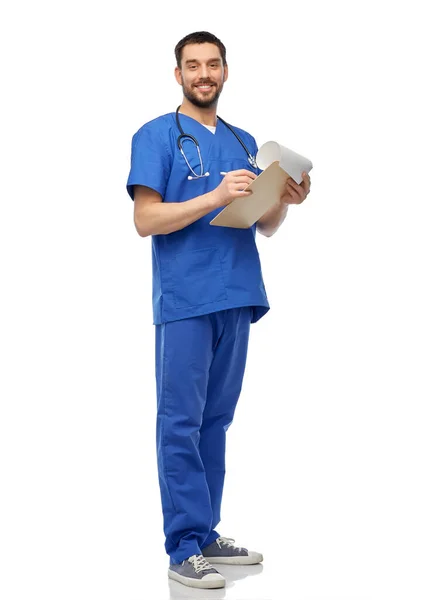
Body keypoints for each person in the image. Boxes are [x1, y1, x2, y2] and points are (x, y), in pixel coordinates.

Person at [126, 31, 311, 590]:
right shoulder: (156, 135)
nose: (203, 74)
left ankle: (205, 534)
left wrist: (282, 198)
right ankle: (183, 546)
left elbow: (264, 224)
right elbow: (145, 220)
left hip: (238, 294)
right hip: (185, 300)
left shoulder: (243, 139)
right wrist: (213, 197)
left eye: (213, 65)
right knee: (180, 422)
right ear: (178, 74)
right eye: (192, 65)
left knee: (216, 420)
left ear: (225, 72)